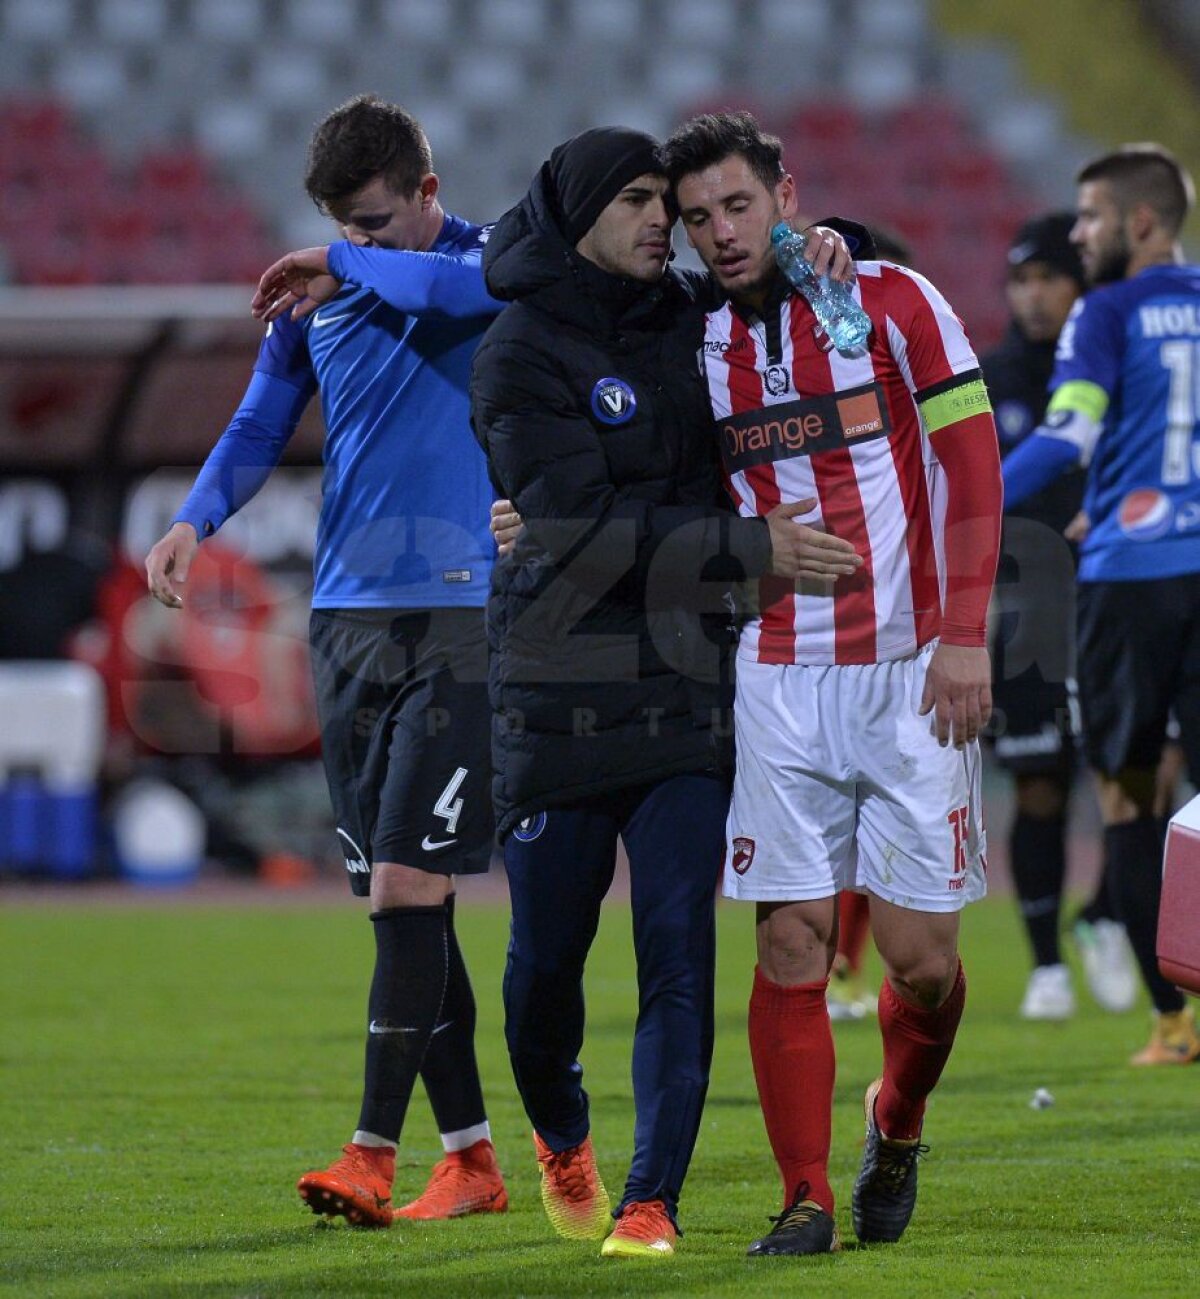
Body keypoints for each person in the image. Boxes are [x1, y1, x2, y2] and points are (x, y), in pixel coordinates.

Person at [469, 126, 861, 1261]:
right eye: (638, 201)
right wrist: (748, 547)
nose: (665, 223)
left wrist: (841, 242)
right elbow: (581, 534)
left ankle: (653, 1200)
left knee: (679, 950)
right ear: (579, 214)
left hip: (689, 678)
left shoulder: (695, 313)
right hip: (560, 683)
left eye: (672, 206)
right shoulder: (518, 354)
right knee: (545, 964)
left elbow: (789, 277)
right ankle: (561, 1133)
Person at [145, 94, 509, 1226]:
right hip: (347, 620)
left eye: (377, 222)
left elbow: (466, 292)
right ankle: (477, 1160)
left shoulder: (492, 258)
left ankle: (371, 1154)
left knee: (410, 884)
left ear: (430, 195)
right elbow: (260, 424)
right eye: (344, 227)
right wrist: (194, 521)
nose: (361, 243)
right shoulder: (324, 293)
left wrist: (342, 266)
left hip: (461, 612)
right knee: (405, 910)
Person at [660, 110, 1003, 1255]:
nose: (719, 232)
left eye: (738, 206)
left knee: (923, 963)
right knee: (791, 943)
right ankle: (804, 1196)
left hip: (910, 670)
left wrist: (964, 634)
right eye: (697, 217)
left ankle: (894, 1118)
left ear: (784, 192)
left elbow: (973, 468)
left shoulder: (894, 302)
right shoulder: (694, 342)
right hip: (775, 674)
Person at [1001, 143, 1200, 1066]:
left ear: (1141, 222)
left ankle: (1173, 1021)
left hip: (1129, 577)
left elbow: (1070, 431)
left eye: (1089, 217)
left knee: (1125, 798)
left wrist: (965, 498)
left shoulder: (1105, 312)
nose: (1080, 235)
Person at [983, 213, 1139, 1021]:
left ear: (1079, 285)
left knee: (1140, 773)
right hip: (1029, 608)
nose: (1033, 295)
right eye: (1021, 280)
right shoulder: (988, 376)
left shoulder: (1118, 364)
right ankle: (1045, 964)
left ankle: (1106, 913)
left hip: (1118, 597)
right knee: (1039, 786)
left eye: (1048, 277)